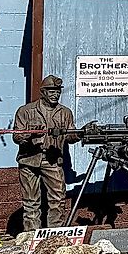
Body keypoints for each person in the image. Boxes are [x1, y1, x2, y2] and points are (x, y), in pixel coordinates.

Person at [12, 75, 81, 231]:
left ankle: (56, 234)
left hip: (53, 160)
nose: (55, 94)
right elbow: (16, 136)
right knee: (31, 201)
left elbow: (70, 135)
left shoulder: (65, 112)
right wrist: (29, 135)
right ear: (42, 92)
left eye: (57, 91)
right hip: (28, 160)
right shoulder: (25, 111)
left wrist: (80, 133)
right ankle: (31, 235)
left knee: (58, 198)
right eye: (51, 91)